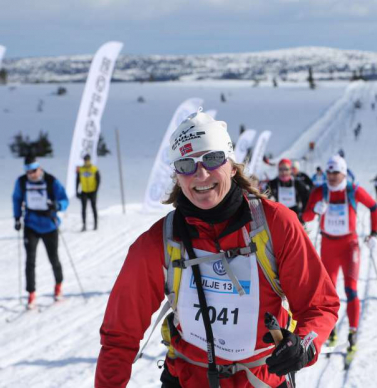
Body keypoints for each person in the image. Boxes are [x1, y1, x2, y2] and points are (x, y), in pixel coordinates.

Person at [95, 110, 339, 388]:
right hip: (187, 380)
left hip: (261, 380)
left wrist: (304, 344)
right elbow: (119, 335)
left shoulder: (275, 225)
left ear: (232, 166)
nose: (200, 174)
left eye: (212, 159)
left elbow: (319, 305)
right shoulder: (159, 242)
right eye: (186, 164)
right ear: (177, 175)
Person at [301, 155, 377, 363]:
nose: (333, 177)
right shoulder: (320, 191)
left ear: (344, 173)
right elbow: (306, 217)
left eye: (336, 173)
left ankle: (353, 334)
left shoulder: (353, 190)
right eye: (330, 173)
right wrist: (314, 210)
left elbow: (374, 207)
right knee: (329, 293)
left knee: (351, 289)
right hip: (328, 245)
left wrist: (374, 233)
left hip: (349, 245)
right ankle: (331, 331)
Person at [12, 155, 69, 309]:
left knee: (54, 259)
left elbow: (65, 199)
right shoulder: (22, 182)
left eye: (34, 170)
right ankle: (31, 295)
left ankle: (58, 287)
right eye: (28, 172)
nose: (31, 174)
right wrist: (17, 217)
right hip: (31, 225)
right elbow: (16, 199)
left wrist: (57, 206)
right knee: (30, 261)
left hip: (50, 225)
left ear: (39, 168)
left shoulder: (51, 181)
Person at [76, 154, 100, 231]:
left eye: (88, 160)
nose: (86, 162)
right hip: (84, 191)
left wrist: (96, 190)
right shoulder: (81, 169)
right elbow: (77, 180)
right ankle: (84, 225)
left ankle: (95, 224)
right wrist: (76, 191)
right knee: (83, 209)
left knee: (93, 208)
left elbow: (98, 180)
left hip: (92, 191)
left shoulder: (94, 169)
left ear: (90, 160)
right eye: (85, 160)